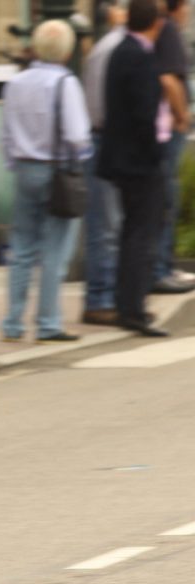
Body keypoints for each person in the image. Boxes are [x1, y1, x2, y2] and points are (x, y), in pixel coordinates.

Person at [0, 20, 91, 343]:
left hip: (25, 169)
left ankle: (13, 322)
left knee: (22, 247)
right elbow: (78, 136)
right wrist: (82, 158)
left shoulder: (17, 82)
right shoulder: (65, 83)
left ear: (36, 47)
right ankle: (49, 322)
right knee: (55, 249)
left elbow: (6, 133)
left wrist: (16, 162)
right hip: (57, 172)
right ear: (66, 51)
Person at [98, 0, 170, 336]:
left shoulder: (120, 50)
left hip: (124, 160)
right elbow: (144, 115)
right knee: (142, 235)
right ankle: (134, 309)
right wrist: (156, 153)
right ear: (155, 23)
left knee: (132, 233)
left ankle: (128, 304)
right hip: (140, 163)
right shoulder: (139, 56)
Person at [80, 3, 128, 326]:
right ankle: (99, 299)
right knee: (105, 226)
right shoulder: (113, 48)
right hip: (103, 141)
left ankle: (106, 295)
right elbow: (100, 108)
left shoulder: (108, 47)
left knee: (109, 224)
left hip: (104, 139)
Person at [149, 0, 195, 294]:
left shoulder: (163, 32)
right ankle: (161, 269)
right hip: (169, 130)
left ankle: (163, 266)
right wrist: (182, 115)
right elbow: (168, 79)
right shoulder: (169, 33)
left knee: (166, 197)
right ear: (177, 8)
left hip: (163, 130)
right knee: (167, 198)